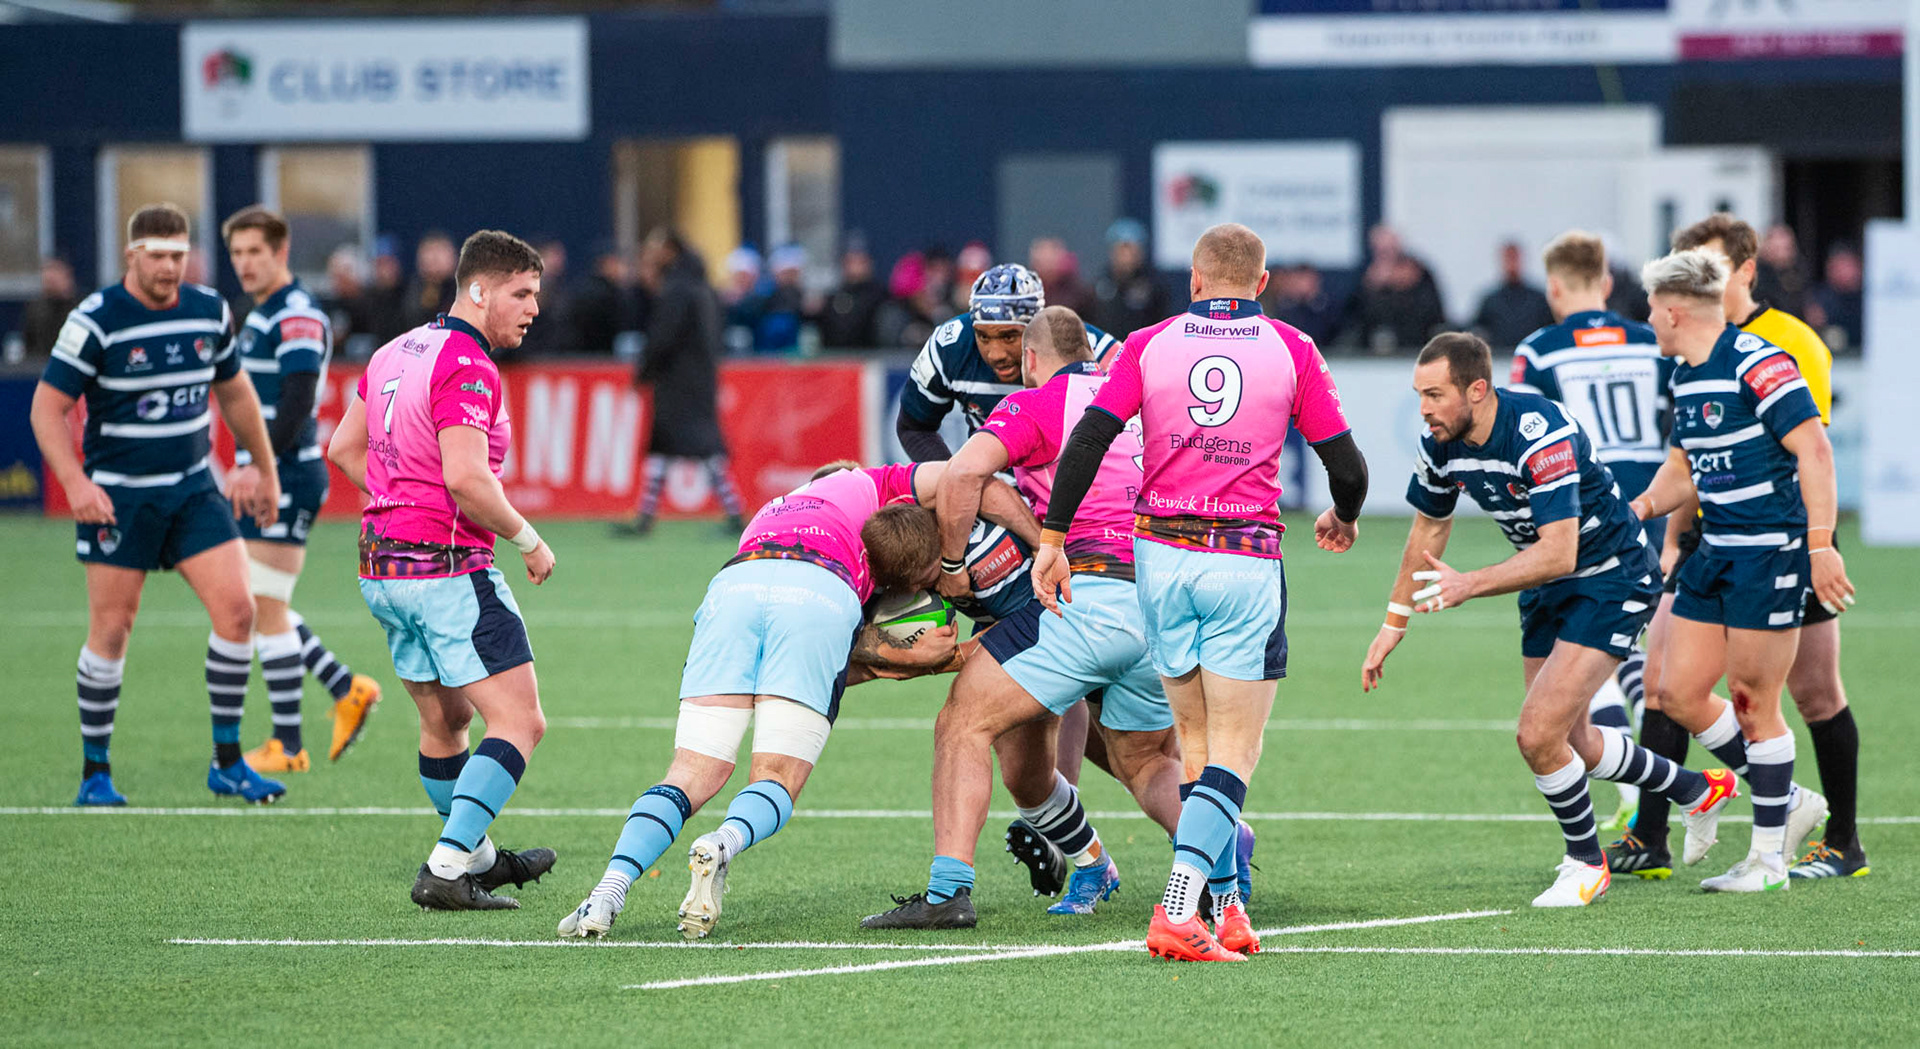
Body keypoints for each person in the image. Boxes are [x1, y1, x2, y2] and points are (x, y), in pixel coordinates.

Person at [1032, 223, 1369, 962]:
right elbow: (1347, 465)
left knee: (1196, 750)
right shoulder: (1292, 347)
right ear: (1262, 282)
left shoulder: (1149, 342)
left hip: (1157, 558)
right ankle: (1179, 906)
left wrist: (1052, 540)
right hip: (1242, 559)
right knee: (1235, 755)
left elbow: (1088, 439)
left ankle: (1230, 906)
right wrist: (1343, 514)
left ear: (1193, 280)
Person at [557, 459, 1032, 940]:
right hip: (820, 592)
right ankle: (723, 843)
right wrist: (924, 655)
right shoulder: (868, 483)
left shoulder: (774, 508)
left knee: (690, 772)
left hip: (734, 585)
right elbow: (969, 476)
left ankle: (607, 891)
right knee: (776, 778)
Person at [1361, 332, 1734, 908]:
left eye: (1435, 394)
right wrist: (1394, 622)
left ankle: (1586, 863)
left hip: (1610, 576)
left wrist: (1469, 584)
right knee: (1572, 740)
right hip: (1544, 586)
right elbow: (1428, 530)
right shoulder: (1440, 445)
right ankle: (1696, 789)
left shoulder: (1539, 431)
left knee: (1536, 734)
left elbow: (1559, 551)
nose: (1425, 409)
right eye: (1419, 395)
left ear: (1477, 390)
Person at [863, 307, 1189, 930]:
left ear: (1034, 359)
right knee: (1139, 761)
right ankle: (1217, 861)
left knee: (962, 721)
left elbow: (963, 471)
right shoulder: (1141, 400)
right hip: (1163, 601)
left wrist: (953, 562)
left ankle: (948, 893)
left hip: (1087, 597)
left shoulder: (1039, 402)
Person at [1620, 215, 1864, 882]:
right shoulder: (1685, 376)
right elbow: (1683, 469)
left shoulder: (1761, 362)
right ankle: (1784, 798)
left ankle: (1766, 859)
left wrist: (1820, 546)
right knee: (1675, 691)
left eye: (1650, 310)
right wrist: (1635, 509)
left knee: (1757, 700)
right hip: (1715, 549)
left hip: (1768, 551)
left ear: (1674, 312)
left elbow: (1814, 448)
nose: (1648, 321)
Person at [326, 229, 559, 910]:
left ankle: (478, 857)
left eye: (537, 294)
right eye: (521, 293)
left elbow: (344, 447)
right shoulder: (468, 362)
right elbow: (466, 477)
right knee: (520, 722)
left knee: (446, 720)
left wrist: (396, 506)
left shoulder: (396, 349)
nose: (533, 308)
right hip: (447, 566)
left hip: (383, 567)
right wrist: (527, 536)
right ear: (479, 290)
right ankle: (449, 866)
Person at [30, 203, 285, 807]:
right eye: (158, 256)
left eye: (178, 254)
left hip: (194, 489)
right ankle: (96, 773)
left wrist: (263, 469)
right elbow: (46, 408)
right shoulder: (95, 320)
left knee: (238, 613)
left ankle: (227, 763)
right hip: (118, 497)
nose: (170, 267)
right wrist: (76, 483)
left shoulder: (208, 310)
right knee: (113, 629)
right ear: (132, 256)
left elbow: (237, 394)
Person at [1508, 229, 1672, 827]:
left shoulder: (1540, 350)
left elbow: (1522, 436)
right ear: (1605, 283)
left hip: (1584, 515)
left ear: (1554, 287)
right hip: (1651, 508)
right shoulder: (1651, 339)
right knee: (1628, 646)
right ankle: (1654, 790)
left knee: (1582, 644)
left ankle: (1635, 793)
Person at [221, 205, 382, 774]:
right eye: (236, 253)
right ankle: (344, 688)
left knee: (262, 606)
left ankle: (288, 744)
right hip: (273, 470)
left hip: (285, 471)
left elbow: (296, 402)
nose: (243, 263)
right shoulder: (263, 312)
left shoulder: (295, 313)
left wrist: (258, 466)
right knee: (264, 602)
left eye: (254, 252)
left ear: (280, 253)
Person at [895, 263, 1116, 462]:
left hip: (1067, 488)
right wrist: (951, 478)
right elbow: (912, 427)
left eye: (1009, 337)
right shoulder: (950, 344)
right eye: (983, 337)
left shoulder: (1087, 347)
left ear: (1037, 327)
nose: (995, 354)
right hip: (990, 486)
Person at [618, 228, 747, 535]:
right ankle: (648, 515)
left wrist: (643, 373)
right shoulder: (701, 288)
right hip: (698, 379)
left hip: (678, 382)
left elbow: (662, 337)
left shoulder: (676, 290)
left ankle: (734, 513)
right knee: (673, 448)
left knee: (696, 448)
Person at [1092, 218, 1170, 338]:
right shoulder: (1101, 283)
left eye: (1132, 250)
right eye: (1122, 250)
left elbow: (1164, 323)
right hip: (1108, 350)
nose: (1127, 256)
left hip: (1141, 351)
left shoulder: (1153, 285)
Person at [1472, 240, 1555, 351]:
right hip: (1500, 361)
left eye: (1514, 258)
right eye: (1508, 259)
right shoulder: (1490, 301)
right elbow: (1476, 329)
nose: (1511, 264)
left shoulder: (1539, 299)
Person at [814, 239, 886, 349]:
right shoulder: (834, 296)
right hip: (836, 357)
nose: (855, 267)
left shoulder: (880, 295)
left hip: (870, 356)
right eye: (850, 261)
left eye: (860, 262)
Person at [19, 255, 78, 360]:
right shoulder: (36, 310)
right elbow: (29, 345)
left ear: (67, 277)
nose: (50, 279)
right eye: (48, 278)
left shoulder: (81, 309)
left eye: (55, 274)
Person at [1806, 243, 1863, 353]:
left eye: (1846, 265)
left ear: (1858, 268)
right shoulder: (1818, 297)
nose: (1842, 271)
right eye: (1836, 266)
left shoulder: (1870, 300)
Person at [400, 232, 458, 334]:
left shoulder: (464, 292)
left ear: (453, 257)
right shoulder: (406, 291)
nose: (433, 259)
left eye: (439, 251)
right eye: (429, 252)